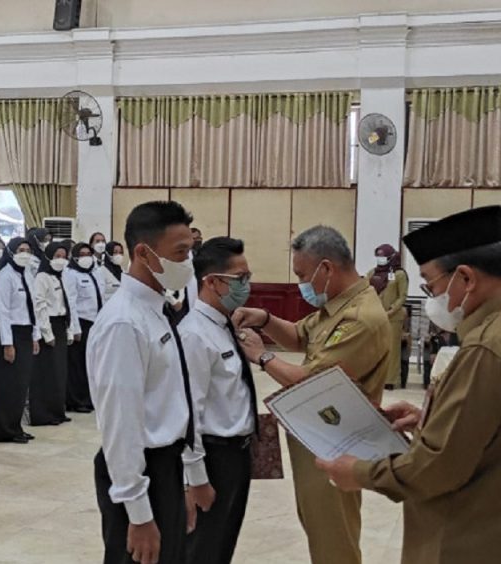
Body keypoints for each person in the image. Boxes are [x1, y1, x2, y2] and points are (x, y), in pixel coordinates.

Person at [317, 205, 501, 564]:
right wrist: (431, 418)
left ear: (466, 278)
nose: (432, 297)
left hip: (467, 536)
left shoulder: (484, 348)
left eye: (431, 285)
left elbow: (438, 468)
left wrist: (358, 473)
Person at [233, 225, 391, 564]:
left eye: (303, 275)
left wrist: (262, 356)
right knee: (321, 533)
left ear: (327, 268)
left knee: (334, 541)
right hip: (318, 439)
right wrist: (265, 318)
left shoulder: (360, 318)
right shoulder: (338, 305)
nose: (301, 283)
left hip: (337, 443)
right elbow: (298, 336)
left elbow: (309, 380)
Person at [88, 201, 196, 564]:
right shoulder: (124, 322)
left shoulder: (155, 309)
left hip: (165, 467)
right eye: (180, 253)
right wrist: (138, 513)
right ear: (143, 253)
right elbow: (120, 423)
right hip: (141, 471)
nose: (188, 263)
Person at [181, 237, 257, 563]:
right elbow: (188, 414)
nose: (246, 285)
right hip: (214, 458)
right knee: (203, 549)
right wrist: (196, 478)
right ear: (211, 282)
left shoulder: (224, 324)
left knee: (223, 546)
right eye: (239, 278)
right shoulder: (194, 334)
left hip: (237, 455)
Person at [0, 237, 40, 443]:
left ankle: (15, 426)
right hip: (10, 333)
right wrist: (7, 344)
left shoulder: (27, 274)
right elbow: (3, 312)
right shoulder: (4, 276)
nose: (25, 253)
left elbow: (33, 307)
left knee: (21, 384)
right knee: (9, 384)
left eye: (28, 250)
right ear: (10, 252)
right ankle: (3, 429)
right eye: (20, 250)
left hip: (26, 332)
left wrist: (35, 335)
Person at [30, 240, 72, 426]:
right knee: (47, 373)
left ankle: (57, 411)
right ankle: (44, 414)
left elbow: (66, 304)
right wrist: (47, 333)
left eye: (64, 256)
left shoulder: (60, 276)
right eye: (57, 256)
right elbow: (40, 305)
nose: (61, 260)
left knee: (59, 373)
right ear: (48, 257)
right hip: (49, 326)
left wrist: (69, 330)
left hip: (61, 324)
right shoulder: (42, 277)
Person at [64, 242, 105, 413]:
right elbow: (71, 302)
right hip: (81, 322)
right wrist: (75, 328)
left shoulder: (96, 272)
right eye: (82, 254)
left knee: (92, 363)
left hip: (96, 322)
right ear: (74, 257)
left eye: (89, 254)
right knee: (78, 364)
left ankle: (89, 398)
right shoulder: (71, 274)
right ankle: (76, 400)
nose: (86, 257)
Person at [367, 244, 409, 389]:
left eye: (383, 256)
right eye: (378, 256)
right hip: (374, 317)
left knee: (392, 349)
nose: (380, 259)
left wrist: (391, 311)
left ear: (391, 257)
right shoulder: (372, 273)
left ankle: (390, 380)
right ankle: (375, 379)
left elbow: (402, 296)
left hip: (393, 318)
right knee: (374, 349)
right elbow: (365, 291)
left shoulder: (399, 274)